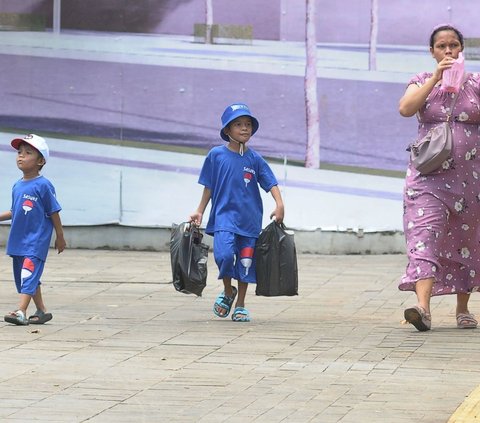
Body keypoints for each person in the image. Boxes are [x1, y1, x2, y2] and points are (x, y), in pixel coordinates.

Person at [398, 24, 480, 331]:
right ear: (432, 52)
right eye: (442, 47)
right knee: (424, 235)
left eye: (453, 46)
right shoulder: (421, 80)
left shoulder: (475, 83)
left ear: (461, 49)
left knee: (466, 241)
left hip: (469, 182)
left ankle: (463, 308)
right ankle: (422, 307)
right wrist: (436, 79)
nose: (448, 51)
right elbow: (405, 108)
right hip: (428, 179)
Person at [190, 103, 285, 322]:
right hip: (224, 216)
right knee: (223, 255)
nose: (245, 129)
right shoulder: (216, 155)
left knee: (245, 263)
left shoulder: (255, 159)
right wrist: (200, 210)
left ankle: (240, 304)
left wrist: (279, 204)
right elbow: (208, 186)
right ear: (227, 130)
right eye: (239, 124)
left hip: (250, 221)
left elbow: (270, 182)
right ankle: (228, 290)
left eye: (248, 124)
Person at [0, 134, 66, 326]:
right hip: (18, 239)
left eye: (28, 153)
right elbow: (15, 211)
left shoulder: (44, 185)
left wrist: (60, 237)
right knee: (26, 276)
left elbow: (54, 212)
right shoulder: (17, 185)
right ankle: (42, 311)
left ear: (41, 161)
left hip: (36, 240)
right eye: (19, 152)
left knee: (28, 273)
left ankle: (21, 311)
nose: (21, 156)